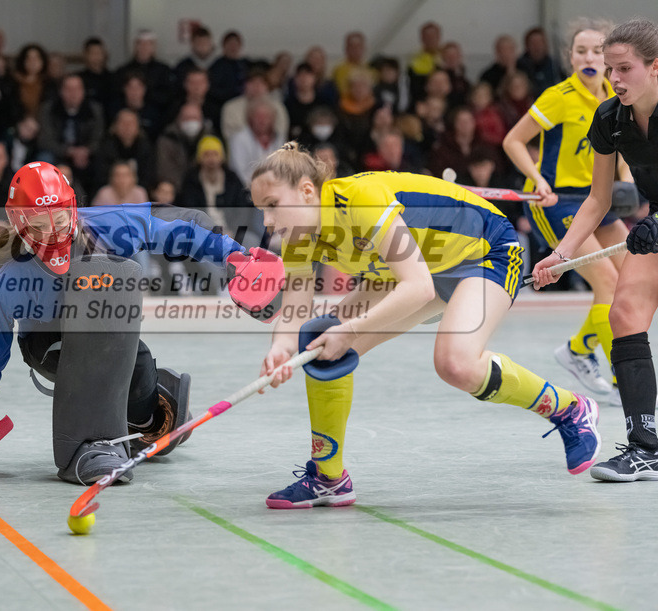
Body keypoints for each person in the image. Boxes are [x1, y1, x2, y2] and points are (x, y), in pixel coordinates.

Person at [252, 142, 600, 508]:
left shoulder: (360, 200)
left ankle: (570, 409)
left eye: (273, 206)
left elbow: (418, 288)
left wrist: (351, 330)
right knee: (321, 347)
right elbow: (293, 311)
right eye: (261, 211)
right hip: (418, 265)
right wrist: (279, 348)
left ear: (307, 191)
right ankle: (329, 478)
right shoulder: (299, 236)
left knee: (456, 364)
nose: (268, 223)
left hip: (484, 249)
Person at [0, 161, 284, 488]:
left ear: (72, 207)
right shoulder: (11, 278)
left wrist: (235, 256)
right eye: (39, 225)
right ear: (19, 224)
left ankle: (156, 413)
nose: (51, 233)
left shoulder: (109, 225)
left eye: (58, 219)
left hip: (108, 325)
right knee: (89, 356)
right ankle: (91, 442)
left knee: (139, 380)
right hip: (46, 344)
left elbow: (179, 225)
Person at [532, 18, 658, 481]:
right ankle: (646, 446)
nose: (614, 79)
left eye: (624, 69)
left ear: (655, 67)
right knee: (625, 314)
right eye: (611, 69)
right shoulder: (609, 118)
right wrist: (561, 255)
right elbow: (598, 199)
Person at [504, 20, 627, 400]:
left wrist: (626, 179)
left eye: (596, 51)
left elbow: (620, 148)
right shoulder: (559, 96)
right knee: (606, 282)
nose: (588, 58)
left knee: (633, 279)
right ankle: (627, 377)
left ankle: (577, 350)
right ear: (569, 57)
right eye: (581, 51)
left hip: (598, 198)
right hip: (555, 201)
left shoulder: (614, 94)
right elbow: (514, 141)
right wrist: (536, 178)